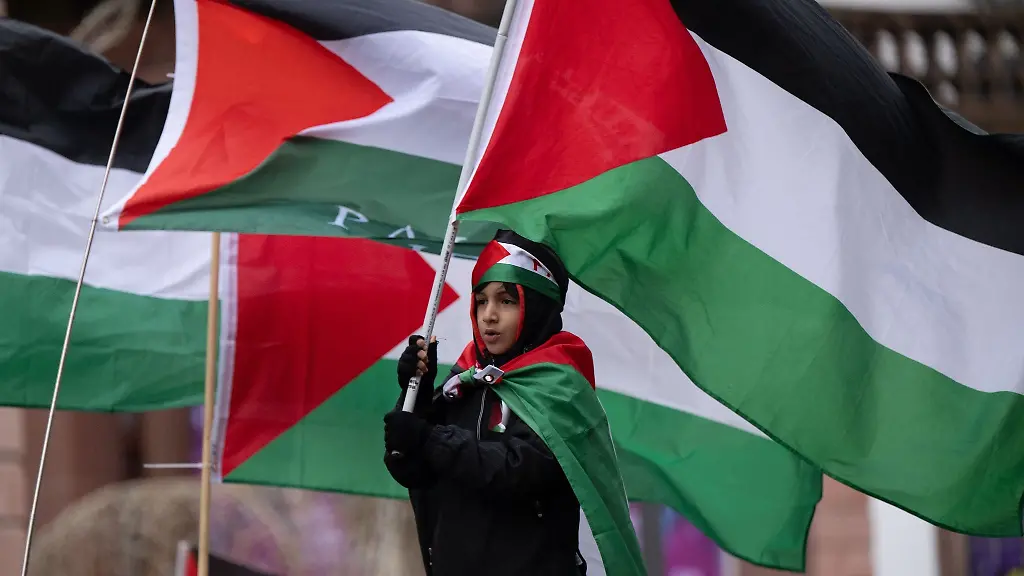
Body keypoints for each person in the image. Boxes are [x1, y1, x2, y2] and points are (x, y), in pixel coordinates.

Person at [383, 229, 586, 576]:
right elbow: (412, 471)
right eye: (481, 300)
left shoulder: (560, 386)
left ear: (537, 306)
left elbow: (519, 471)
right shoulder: (466, 380)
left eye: (506, 301)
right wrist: (415, 397)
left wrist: (428, 438)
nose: (489, 315)